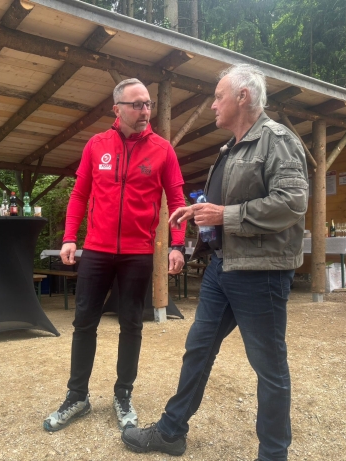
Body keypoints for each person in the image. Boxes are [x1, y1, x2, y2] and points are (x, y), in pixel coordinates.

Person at [121, 63, 308, 461]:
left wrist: (226, 215)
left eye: (218, 96)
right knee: (198, 349)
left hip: (261, 271)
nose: (212, 105)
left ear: (243, 96)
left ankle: (273, 454)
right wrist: (200, 213)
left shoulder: (277, 140)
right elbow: (224, 206)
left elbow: (292, 203)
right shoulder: (230, 149)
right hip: (222, 269)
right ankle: (171, 432)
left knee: (269, 367)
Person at [43, 78, 187, 433]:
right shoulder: (96, 145)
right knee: (84, 323)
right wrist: (69, 238)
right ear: (117, 108)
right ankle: (77, 397)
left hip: (138, 253)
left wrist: (177, 244)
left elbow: (177, 200)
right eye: (137, 104)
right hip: (96, 249)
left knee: (132, 325)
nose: (145, 110)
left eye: (148, 104)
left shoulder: (163, 149)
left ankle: (123, 395)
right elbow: (79, 194)